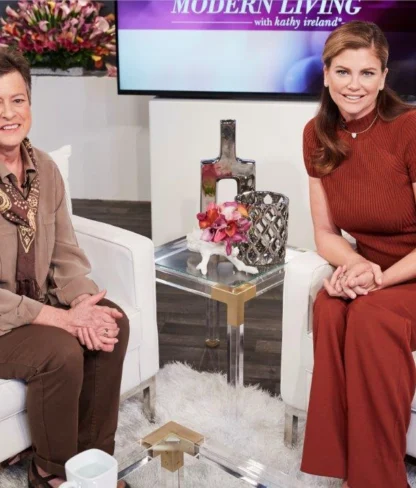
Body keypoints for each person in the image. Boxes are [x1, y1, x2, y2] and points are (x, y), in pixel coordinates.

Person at [0, 48, 131, 488]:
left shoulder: (46, 170)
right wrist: (62, 319)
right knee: (59, 352)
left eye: (17, 100)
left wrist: (82, 303)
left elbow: (65, 254)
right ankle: (50, 473)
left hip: (33, 306)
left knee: (113, 321)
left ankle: (91, 464)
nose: (8, 114)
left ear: (30, 105)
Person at [300, 21, 416, 488]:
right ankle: (344, 466)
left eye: (368, 73)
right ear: (326, 74)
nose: (355, 85)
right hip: (374, 266)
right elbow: (326, 233)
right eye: (343, 71)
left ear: (384, 77)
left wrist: (378, 280)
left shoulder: (409, 128)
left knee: (370, 318)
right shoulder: (316, 133)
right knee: (329, 307)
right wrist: (354, 267)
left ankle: (380, 479)